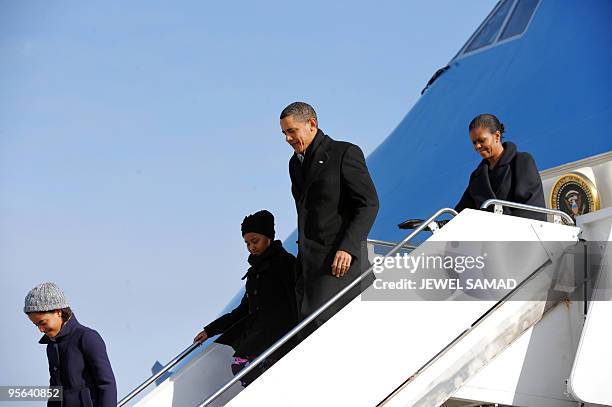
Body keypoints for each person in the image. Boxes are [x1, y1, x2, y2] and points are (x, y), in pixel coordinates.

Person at [280, 102, 379, 326]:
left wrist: (348, 247)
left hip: (339, 264)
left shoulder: (344, 153)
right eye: (284, 133)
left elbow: (369, 203)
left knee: (329, 327)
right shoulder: (294, 165)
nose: (288, 139)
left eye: (292, 131)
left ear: (311, 124)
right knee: (307, 333)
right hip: (308, 267)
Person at [193, 210, 297, 385]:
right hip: (259, 338)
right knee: (242, 367)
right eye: (247, 243)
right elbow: (242, 310)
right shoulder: (254, 273)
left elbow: (296, 299)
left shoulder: (285, 263)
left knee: (248, 368)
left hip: (279, 338)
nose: (251, 247)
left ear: (268, 237)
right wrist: (210, 330)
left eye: (255, 241)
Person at [24, 282, 117, 407]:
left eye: (43, 323)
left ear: (58, 312)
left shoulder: (87, 337)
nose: (40, 329)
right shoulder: (51, 347)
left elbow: (107, 384)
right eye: (37, 325)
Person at [455, 113, 546, 220]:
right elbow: (462, 213)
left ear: (497, 136)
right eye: (474, 142)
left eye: (481, 140)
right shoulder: (477, 178)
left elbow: (533, 207)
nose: (477, 146)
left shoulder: (522, 161)